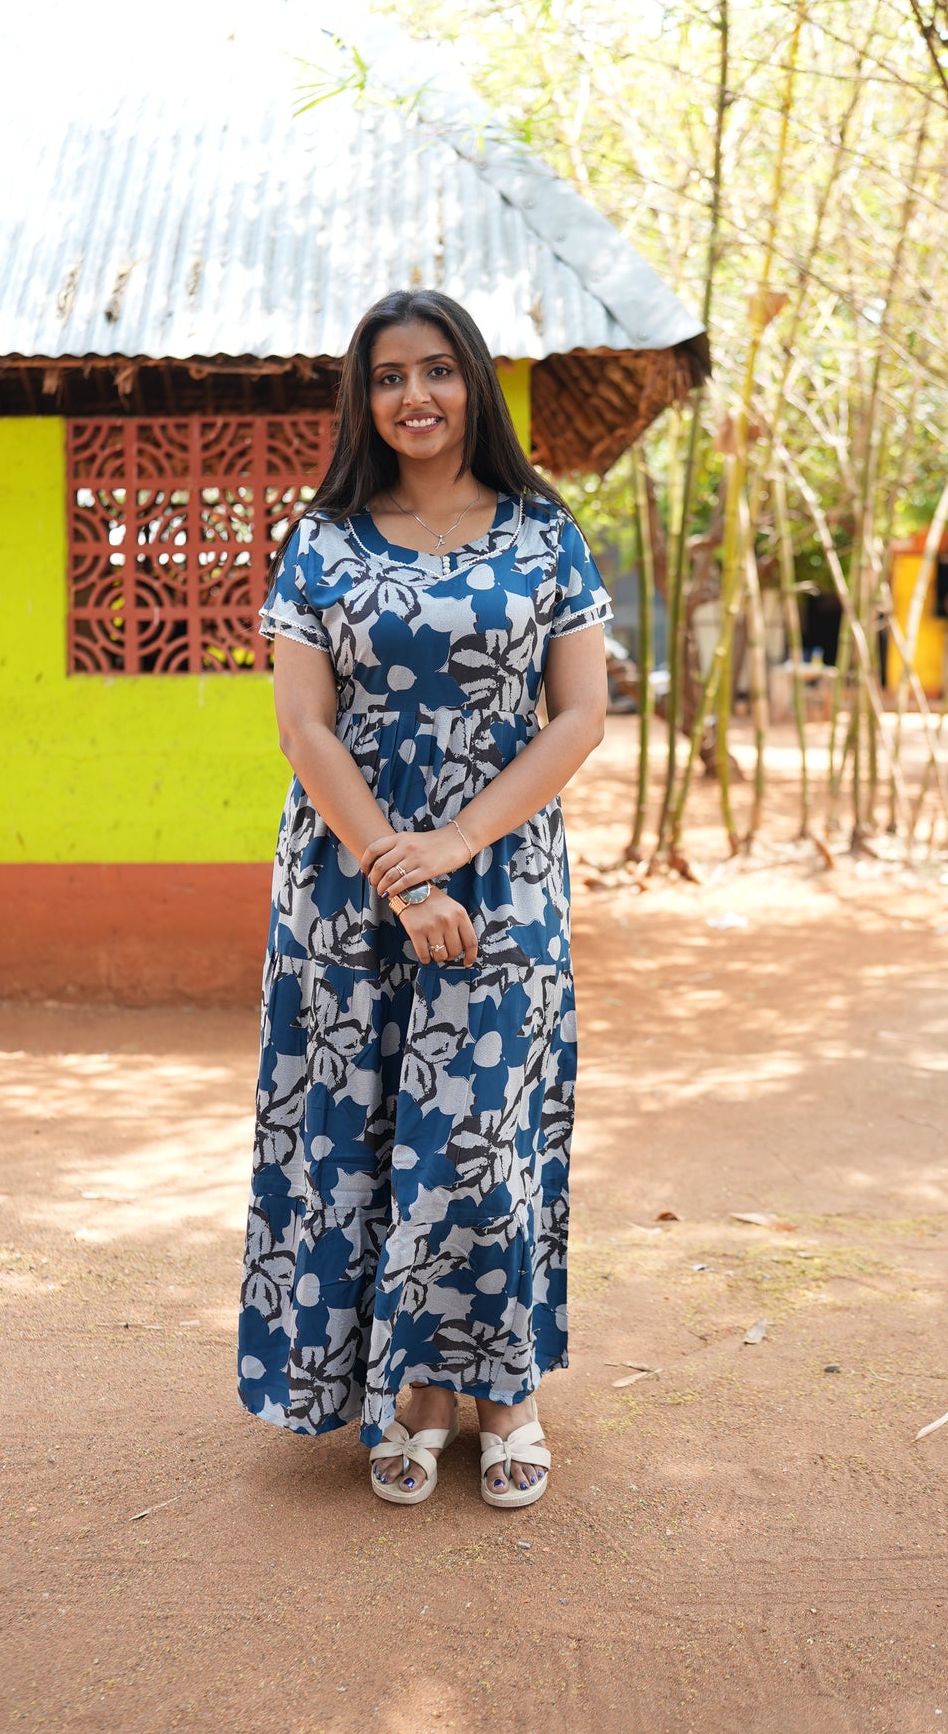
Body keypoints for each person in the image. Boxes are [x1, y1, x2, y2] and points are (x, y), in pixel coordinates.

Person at [237, 288, 611, 1508]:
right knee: (359, 1141)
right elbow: (305, 727)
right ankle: (411, 1393)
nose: (415, 396)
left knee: (479, 1140)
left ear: (475, 386)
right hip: (347, 891)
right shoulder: (324, 540)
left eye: (439, 371)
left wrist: (456, 840)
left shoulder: (546, 535)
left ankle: (507, 1393)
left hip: (502, 877)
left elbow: (582, 714)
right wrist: (403, 873)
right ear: (365, 397)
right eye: (391, 375)